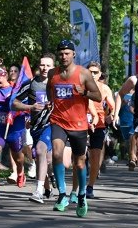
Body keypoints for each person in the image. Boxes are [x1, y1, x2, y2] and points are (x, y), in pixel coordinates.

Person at [47, 40, 102, 217]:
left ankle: (81, 195)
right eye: (61, 53)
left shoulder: (83, 73)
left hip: (78, 124)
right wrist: (50, 102)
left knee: (79, 162)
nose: (63, 56)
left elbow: (98, 96)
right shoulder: (52, 73)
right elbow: (49, 88)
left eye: (67, 53)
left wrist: (84, 92)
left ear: (73, 54)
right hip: (58, 120)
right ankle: (62, 195)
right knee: (56, 154)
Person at [13, 53, 55, 204]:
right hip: (36, 126)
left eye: (48, 65)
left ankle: (38, 191)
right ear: (38, 66)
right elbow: (14, 103)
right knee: (41, 158)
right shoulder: (31, 83)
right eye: (42, 65)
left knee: (41, 151)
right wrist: (30, 107)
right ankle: (48, 186)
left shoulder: (58, 83)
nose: (45, 68)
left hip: (52, 125)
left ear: (53, 67)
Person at [0, 66, 26, 197]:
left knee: (18, 157)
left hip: (14, 128)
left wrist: (15, 113)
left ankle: (20, 171)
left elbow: (24, 106)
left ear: (5, 75)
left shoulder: (15, 88)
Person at [86, 61, 115, 199]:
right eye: (90, 72)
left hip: (99, 125)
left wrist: (112, 115)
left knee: (95, 157)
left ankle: (90, 187)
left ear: (100, 74)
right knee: (77, 158)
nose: (92, 74)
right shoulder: (81, 86)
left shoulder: (105, 88)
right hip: (81, 123)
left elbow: (113, 106)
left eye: (95, 72)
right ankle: (78, 184)